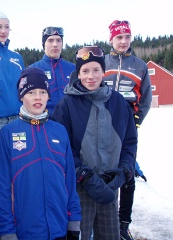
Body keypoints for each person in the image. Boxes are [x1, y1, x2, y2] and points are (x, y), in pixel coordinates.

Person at [51, 46, 137, 240]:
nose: (91, 76)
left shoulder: (118, 102)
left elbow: (130, 141)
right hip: (81, 188)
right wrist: (83, 175)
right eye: (85, 71)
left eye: (96, 70)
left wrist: (125, 169)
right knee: (80, 234)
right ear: (78, 73)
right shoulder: (66, 105)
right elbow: (59, 148)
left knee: (109, 235)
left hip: (109, 185)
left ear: (103, 71)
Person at [0, 67, 81, 240]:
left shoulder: (59, 131)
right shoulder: (8, 133)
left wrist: (74, 221)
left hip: (59, 227)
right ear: (21, 96)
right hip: (25, 231)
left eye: (43, 92)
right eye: (31, 92)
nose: (37, 97)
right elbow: (2, 187)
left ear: (49, 95)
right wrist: (6, 230)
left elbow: (69, 181)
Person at [103, 20, 152, 240]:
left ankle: (123, 224)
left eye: (127, 37)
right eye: (118, 37)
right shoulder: (102, 62)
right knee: (104, 171)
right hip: (102, 125)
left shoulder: (140, 65)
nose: (123, 42)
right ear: (111, 40)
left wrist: (136, 120)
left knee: (128, 173)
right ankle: (104, 218)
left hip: (128, 126)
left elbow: (146, 97)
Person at [29, 26, 76, 114]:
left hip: (70, 121)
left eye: (58, 40)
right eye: (50, 40)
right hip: (45, 121)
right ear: (44, 44)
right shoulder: (33, 70)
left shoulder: (73, 69)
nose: (55, 44)